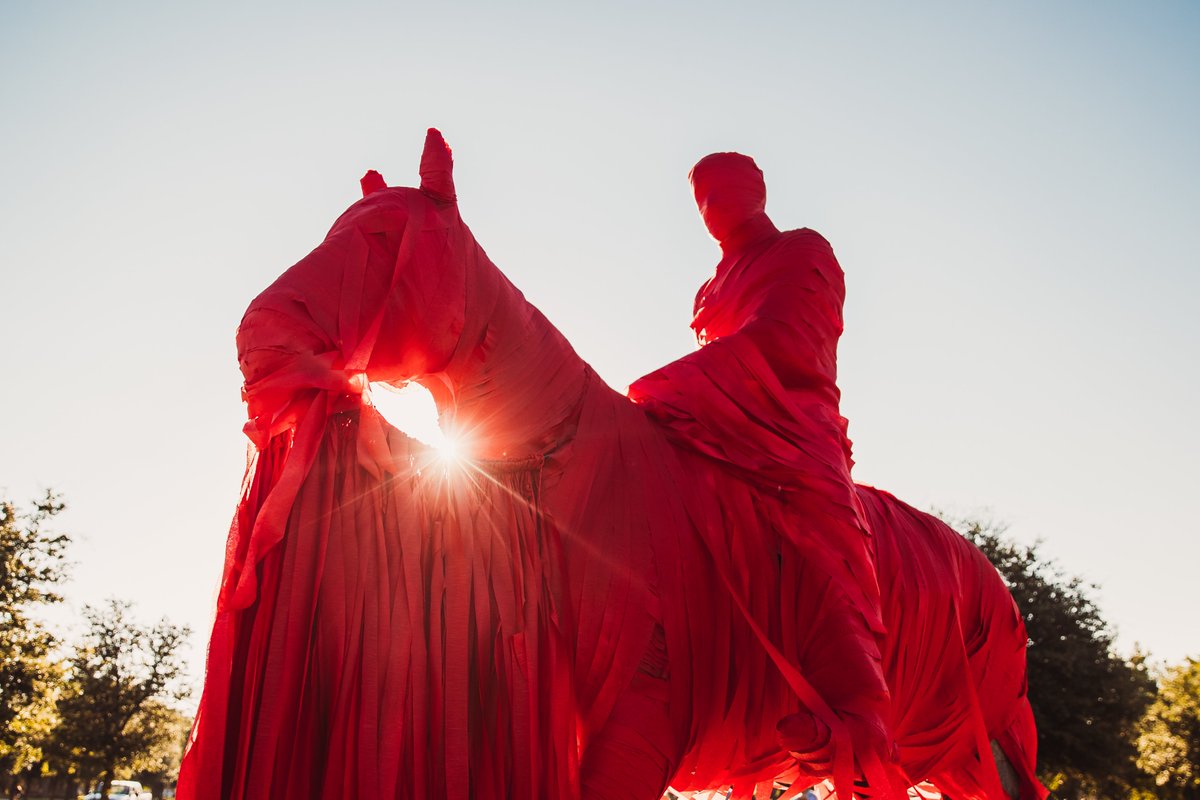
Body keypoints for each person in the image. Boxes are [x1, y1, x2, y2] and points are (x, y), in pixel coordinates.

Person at [628, 152, 897, 793]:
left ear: (757, 194)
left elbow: (787, 341)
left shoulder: (804, 251)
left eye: (724, 195)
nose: (713, 211)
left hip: (789, 424)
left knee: (820, 530)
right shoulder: (709, 288)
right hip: (711, 420)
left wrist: (666, 385)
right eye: (703, 201)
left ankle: (860, 708)